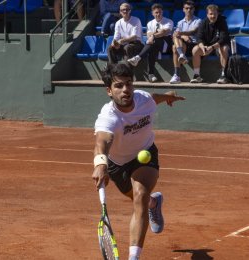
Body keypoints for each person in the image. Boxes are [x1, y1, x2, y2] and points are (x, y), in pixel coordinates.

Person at [92, 63, 185, 260]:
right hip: (117, 165)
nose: (125, 90)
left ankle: (133, 257)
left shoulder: (142, 99)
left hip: (145, 153)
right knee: (139, 199)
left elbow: (153, 98)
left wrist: (168, 96)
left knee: (140, 194)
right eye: (118, 86)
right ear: (109, 91)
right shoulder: (108, 117)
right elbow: (102, 142)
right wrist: (101, 165)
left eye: (129, 84)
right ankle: (154, 203)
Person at [126, 4, 174, 83]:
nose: (158, 14)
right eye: (156, 12)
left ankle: (138, 58)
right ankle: (151, 75)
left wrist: (153, 35)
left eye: (160, 12)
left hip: (166, 45)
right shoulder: (150, 23)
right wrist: (155, 35)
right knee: (152, 47)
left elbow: (163, 32)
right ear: (152, 13)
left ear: (162, 12)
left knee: (154, 41)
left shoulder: (169, 21)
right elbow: (148, 35)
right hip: (154, 45)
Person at [190, 4, 230, 84]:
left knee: (224, 48)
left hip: (218, 46)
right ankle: (196, 75)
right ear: (207, 14)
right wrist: (202, 47)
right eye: (211, 14)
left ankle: (223, 75)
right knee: (195, 49)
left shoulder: (222, 22)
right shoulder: (203, 22)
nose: (213, 16)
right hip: (207, 47)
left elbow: (223, 39)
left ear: (217, 13)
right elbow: (199, 37)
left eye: (214, 14)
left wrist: (212, 47)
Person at [169, 0, 201, 84]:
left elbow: (193, 32)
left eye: (190, 8)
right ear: (183, 9)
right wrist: (183, 36)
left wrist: (182, 34)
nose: (188, 10)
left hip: (194, 44)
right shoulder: (180, 22)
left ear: (194, 9)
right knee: (174, 46)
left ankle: (181, 55)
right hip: (183, 46)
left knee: (176, 40)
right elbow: (175, 35)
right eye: (186, 8)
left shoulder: (198, 21)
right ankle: (177, 75)